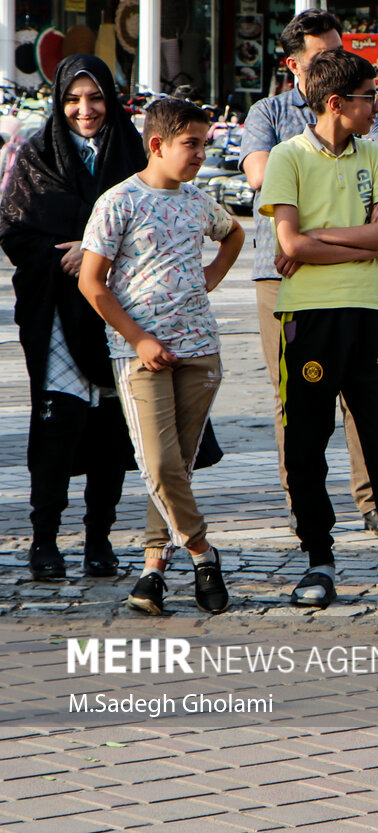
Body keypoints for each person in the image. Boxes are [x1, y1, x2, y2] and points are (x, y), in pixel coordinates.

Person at [258, 48, 378, 609]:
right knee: (305, 442)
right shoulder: (287, 156)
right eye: (369, 97)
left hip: (370, 314)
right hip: (306, 316)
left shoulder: (375, 154)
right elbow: (289, 244)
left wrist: (320, 239)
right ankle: (318, 560)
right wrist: (356, 238)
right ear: (335, 102)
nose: (377, 106)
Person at [77, 97, 244, 615]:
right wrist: (140, 339)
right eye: (191, 144)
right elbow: (91, 282)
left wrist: (210, 277)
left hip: (200, 351)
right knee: (157, 462)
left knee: (177, 468)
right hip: (139, 353)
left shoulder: (198, 201)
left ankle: (152, 573)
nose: (200, 153)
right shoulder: (119, 202)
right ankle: (203, 553)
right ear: (157, 144)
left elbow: (233, 233)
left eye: (204, 143)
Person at [240, 8, 378, 539]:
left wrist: (314, 237)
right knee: (298, 403)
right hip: (280, 275)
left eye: (338, 48)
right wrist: (331, 236)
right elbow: (261, 175)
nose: (335, 59)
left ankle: (372, 501)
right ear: (294, 63)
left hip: (351, 283)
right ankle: (302, 506)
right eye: (321, 54)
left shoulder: (361, 102)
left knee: (368, 403)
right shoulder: (267, 112)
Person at [0, 56, 144, 581]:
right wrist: (62, 257)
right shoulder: (37, 153)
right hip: (59, 309)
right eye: (74, 99)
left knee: (110, 426)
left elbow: (154, 220)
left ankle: (99, 539)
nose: (86, 110)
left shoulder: (134, 150)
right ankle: (44, 539)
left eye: (96, 97)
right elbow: (16, 230)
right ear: (59, 101)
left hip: (120, 309)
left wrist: (95, 249)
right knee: (58, 422)